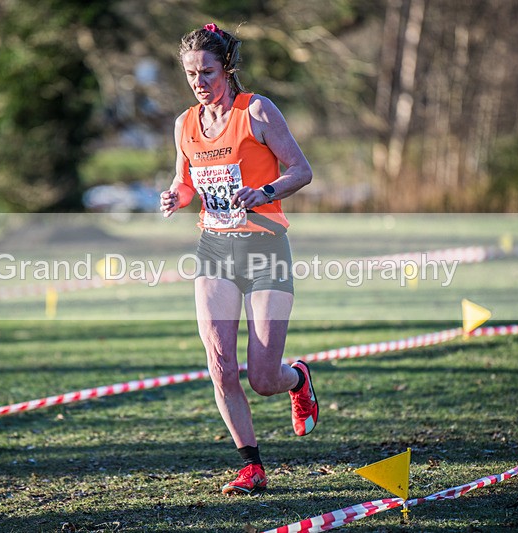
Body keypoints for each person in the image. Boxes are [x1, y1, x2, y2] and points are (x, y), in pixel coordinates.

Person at [160, 23, 318, 495]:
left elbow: (301, 171)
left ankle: (298, 379)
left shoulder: (257, 111)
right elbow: (186, 180)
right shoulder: (184, 124)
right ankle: (251, 466)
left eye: (206, 71)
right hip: (214, 250)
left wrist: (263, 192)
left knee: (263, 377)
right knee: (220, 365)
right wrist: (176, 195)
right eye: (191, 74)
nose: (198, 82)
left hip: (266, 246)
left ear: (225, 68)